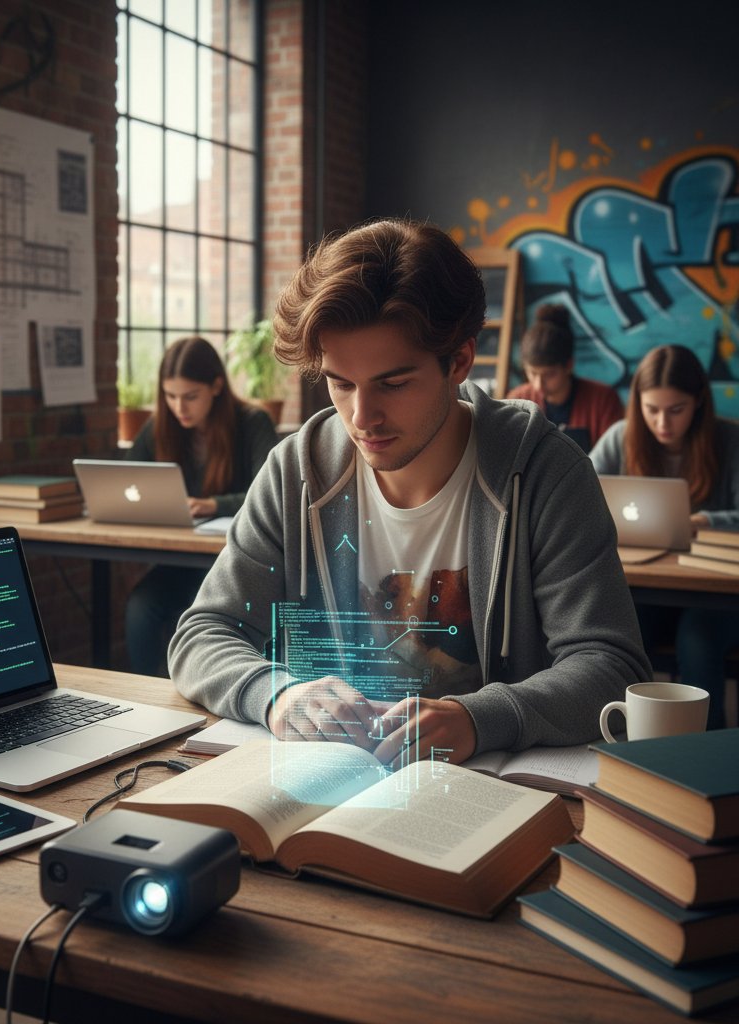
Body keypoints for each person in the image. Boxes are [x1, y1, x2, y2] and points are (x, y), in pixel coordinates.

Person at [168, 219, 650, 768]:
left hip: (485, 790)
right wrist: (277, 694)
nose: (361, 416)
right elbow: (202, 634)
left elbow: (611, 665)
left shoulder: (545, 472)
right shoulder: (296, 470)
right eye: (341, 383)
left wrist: (479, 717)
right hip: (328, 781)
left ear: (460, 362)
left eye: (393, 384)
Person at [590, 344, 739, 729]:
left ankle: (703, 760)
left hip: (718, 597)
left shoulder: (729, 441)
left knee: (698, 639)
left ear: (699, 404)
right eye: (651, 409)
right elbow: (580, 496)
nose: (662, 423)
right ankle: (621, 740)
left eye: (676, 410)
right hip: (645, 588)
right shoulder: (620, 438)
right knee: (618, 637)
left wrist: (707, 519)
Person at [125, 335, 279, 676]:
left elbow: (270, 495)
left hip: (235, 563)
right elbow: (128, 477)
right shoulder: (161, 426)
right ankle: (145, 696)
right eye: (171, 396)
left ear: (217, 386)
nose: (180, 407)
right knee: (141, 606)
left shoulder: (252, 423)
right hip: (179, 561)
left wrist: (213, 504)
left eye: (190, 397)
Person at [505, 303, 623, 452]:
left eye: (549, 374)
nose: (538, 385)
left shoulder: (603, 400)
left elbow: (611, 463)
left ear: (569, 366)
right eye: (532, 373)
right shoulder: (518, 399)